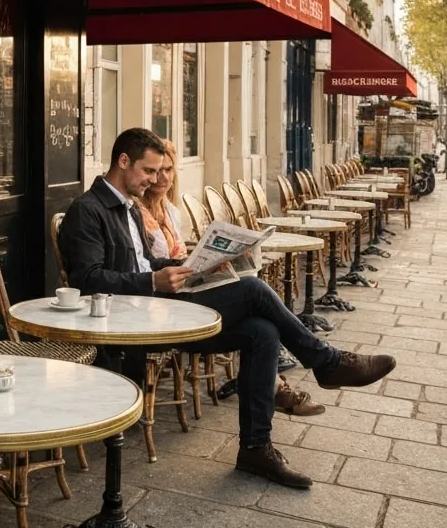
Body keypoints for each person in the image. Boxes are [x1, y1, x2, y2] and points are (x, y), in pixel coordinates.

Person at [60, 127, 396, 488]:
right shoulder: (88, 210)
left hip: (154, 306)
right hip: (131, 322)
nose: (157, 180)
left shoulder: (129, 207)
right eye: (149, 171)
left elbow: (142, 265)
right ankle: (327, 362)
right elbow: (88, 281)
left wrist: (193, 268)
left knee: (261, 332)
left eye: (161, 171)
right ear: (123, 161)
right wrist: (152, 282)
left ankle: (255, 448)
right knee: (252, 289)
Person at [135, 139, 325, 418]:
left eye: (169, 170)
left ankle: (273, 392)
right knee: (252, 291)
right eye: (155, 171)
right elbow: (146, 267)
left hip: (186, 286)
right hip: (169, 300)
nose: (161, 178)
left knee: (262, 325)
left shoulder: (169, 211)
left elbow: (177, 258)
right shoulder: (135, 214)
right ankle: (318, 360)